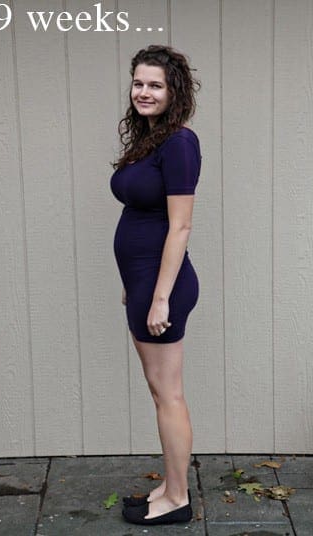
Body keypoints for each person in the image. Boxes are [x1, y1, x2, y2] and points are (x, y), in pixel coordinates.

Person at [110, 45, 201, 526]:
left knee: (168, 392)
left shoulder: (180, 144)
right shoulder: (149, 140)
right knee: (159, 389)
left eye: (155, 85)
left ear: (173, 92)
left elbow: (180, 227)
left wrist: (159, 294)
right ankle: (169, 484)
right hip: (144, 281)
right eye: (139, 83)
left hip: (163, 286)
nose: (144, 92)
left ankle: (178, 499)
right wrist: (135, 284)